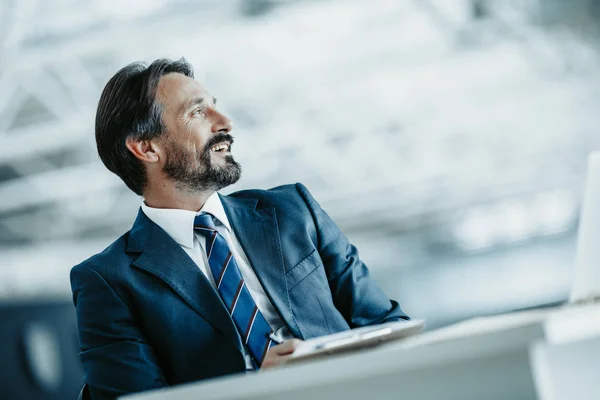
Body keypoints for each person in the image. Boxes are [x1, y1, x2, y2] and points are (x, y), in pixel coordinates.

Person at [70, 58, 409, 399]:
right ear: (146, 147)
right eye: (197, 113)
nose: (226, 123)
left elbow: (387, 324)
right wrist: (255, 389)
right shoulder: (107, 281)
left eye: (214, 107)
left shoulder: (293, 210)